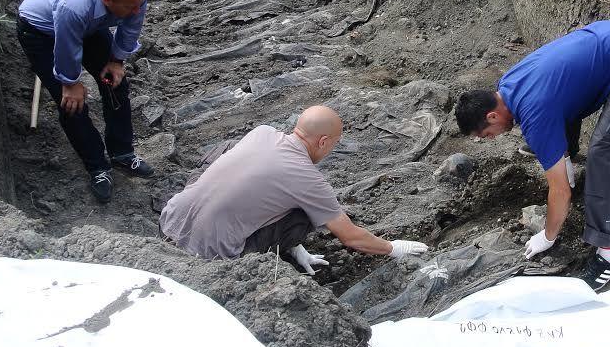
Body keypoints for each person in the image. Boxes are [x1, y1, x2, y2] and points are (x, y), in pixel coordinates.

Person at [454, 20, 610, 291]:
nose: (492, 138)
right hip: (609, 35)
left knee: (602, 151)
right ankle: (565, 153)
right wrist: (561, 156)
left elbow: (561, 192)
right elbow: (557, 100)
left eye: (487, 134)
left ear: (492, 115)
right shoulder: (507, 85)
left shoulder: (533, 114)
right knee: (556, 123)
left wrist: (548, 236)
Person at [159, 106, 429, 272]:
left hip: (170, 220)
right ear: (323, 142)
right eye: (334, 144)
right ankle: (275, 247)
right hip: (211, 257)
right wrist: (393, 248)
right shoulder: (309, 179)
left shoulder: (262, 132)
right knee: (306, 215)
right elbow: (350, 237)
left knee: (229, 150)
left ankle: (284, 246)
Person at [17, 0, 154, 204]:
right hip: (41, 32)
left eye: (137, 5)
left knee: (115, 83)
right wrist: (70, 83)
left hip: (89, 25)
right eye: (129, 7)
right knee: (71, 104)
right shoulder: (74, 5)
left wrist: (117, 60)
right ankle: (97, 168)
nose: (136, 11)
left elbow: (132, 27)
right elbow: (66, 47)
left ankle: (121, 152)